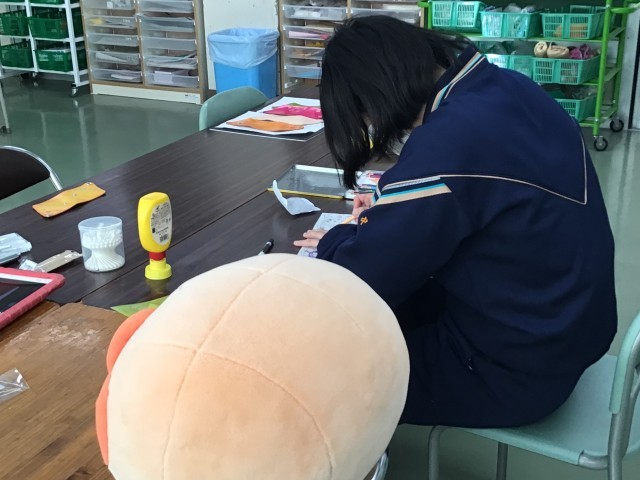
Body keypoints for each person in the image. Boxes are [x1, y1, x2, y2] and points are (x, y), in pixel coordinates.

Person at [294, 16, 617, 428]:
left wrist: (341, 236)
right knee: (398, 304)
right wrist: (390, 211)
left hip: (513, 372)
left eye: (366, 117)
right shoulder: (506, 87)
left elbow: (359, 279)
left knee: (319, 372)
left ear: (376, 96)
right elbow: (478, 196)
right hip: (562, 328)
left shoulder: (450, 141)